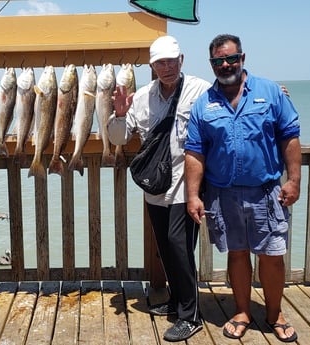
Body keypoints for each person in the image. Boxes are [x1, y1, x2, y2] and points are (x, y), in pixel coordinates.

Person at [185, 34, 300, 343]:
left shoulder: (271, 92)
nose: (225, 65)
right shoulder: (204, 103)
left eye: (231, 59)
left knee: (272, 256)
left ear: (242, 58)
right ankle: (242, 311)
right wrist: (193, 195)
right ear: (211, 64)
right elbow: (195, 152)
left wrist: (293, 179)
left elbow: (289, 136)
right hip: (223, 195)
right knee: (237, 255)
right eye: (218, 61)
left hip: (266, 192)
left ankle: (275, 314)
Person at [107, 35, 210, 342]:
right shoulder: (142, 97)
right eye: (160, 63)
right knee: (166, 248)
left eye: (171, 61)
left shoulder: (201, 90)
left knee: (180, 246)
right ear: (152, 66)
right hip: (156, 187)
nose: (167, 68)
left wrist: (276, 96)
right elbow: (119, 138)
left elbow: (231, 109)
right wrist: (121, 113)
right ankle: (177, 302)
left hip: (187, 185)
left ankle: (191, 315)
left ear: (182, 60)